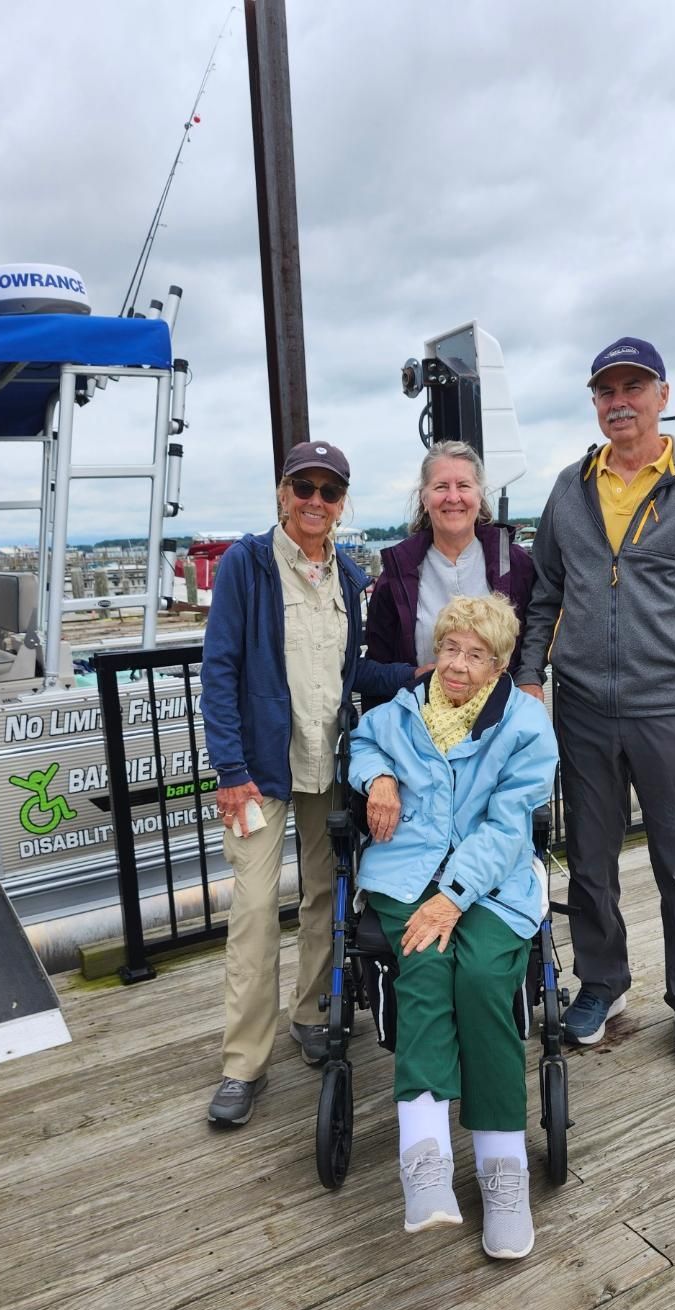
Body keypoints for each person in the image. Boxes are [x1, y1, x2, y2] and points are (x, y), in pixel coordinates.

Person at [515, 338, 675, 1068]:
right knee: (590, 860)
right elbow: (546, 591)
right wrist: (528, 676)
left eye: (633, 387)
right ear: (595, 402)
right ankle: (603, 982)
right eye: (606, 389)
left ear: (660, 394)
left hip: (671, 708)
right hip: (582, 706)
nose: (620, 400)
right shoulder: (569, 486)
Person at [200, 441, 417, 1127]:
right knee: (257, 910)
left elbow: (351, 680)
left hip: (328, 766)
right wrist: (229, 770)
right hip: (260, 773)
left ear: (342, 502)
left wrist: (420, 673)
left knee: (326, 895)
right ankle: (243, 1064)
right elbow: (220, 670)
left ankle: (311, 1014)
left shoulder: (351, 577)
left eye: (329, 491)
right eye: (304, 487)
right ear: (283, 492)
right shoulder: (247, 565)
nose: (315, 502)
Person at [350, 593, 559, 1260]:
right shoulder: (399, 714)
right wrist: (378, 776)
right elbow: (357, 744)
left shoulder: (526, 725)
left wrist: (455, 897)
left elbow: (508, 829)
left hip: (491, 883)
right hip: (407, 871)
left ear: (499, 666)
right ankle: (427, 1160)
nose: (458, 665)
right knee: (426, 966)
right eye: (449, 649)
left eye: (476, 654)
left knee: (482, 976)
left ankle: (503, 1174)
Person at [364, 440, 534, 677]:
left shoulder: (517, 565)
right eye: (441, 487)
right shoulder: (396, 576)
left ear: (480, 495)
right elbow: (373, 669)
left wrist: (529, 680)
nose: (453, 497)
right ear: (424, 499)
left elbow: (536, 641)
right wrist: (411, 676)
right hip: (424, 711)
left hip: (501, 711)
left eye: (463, 485)